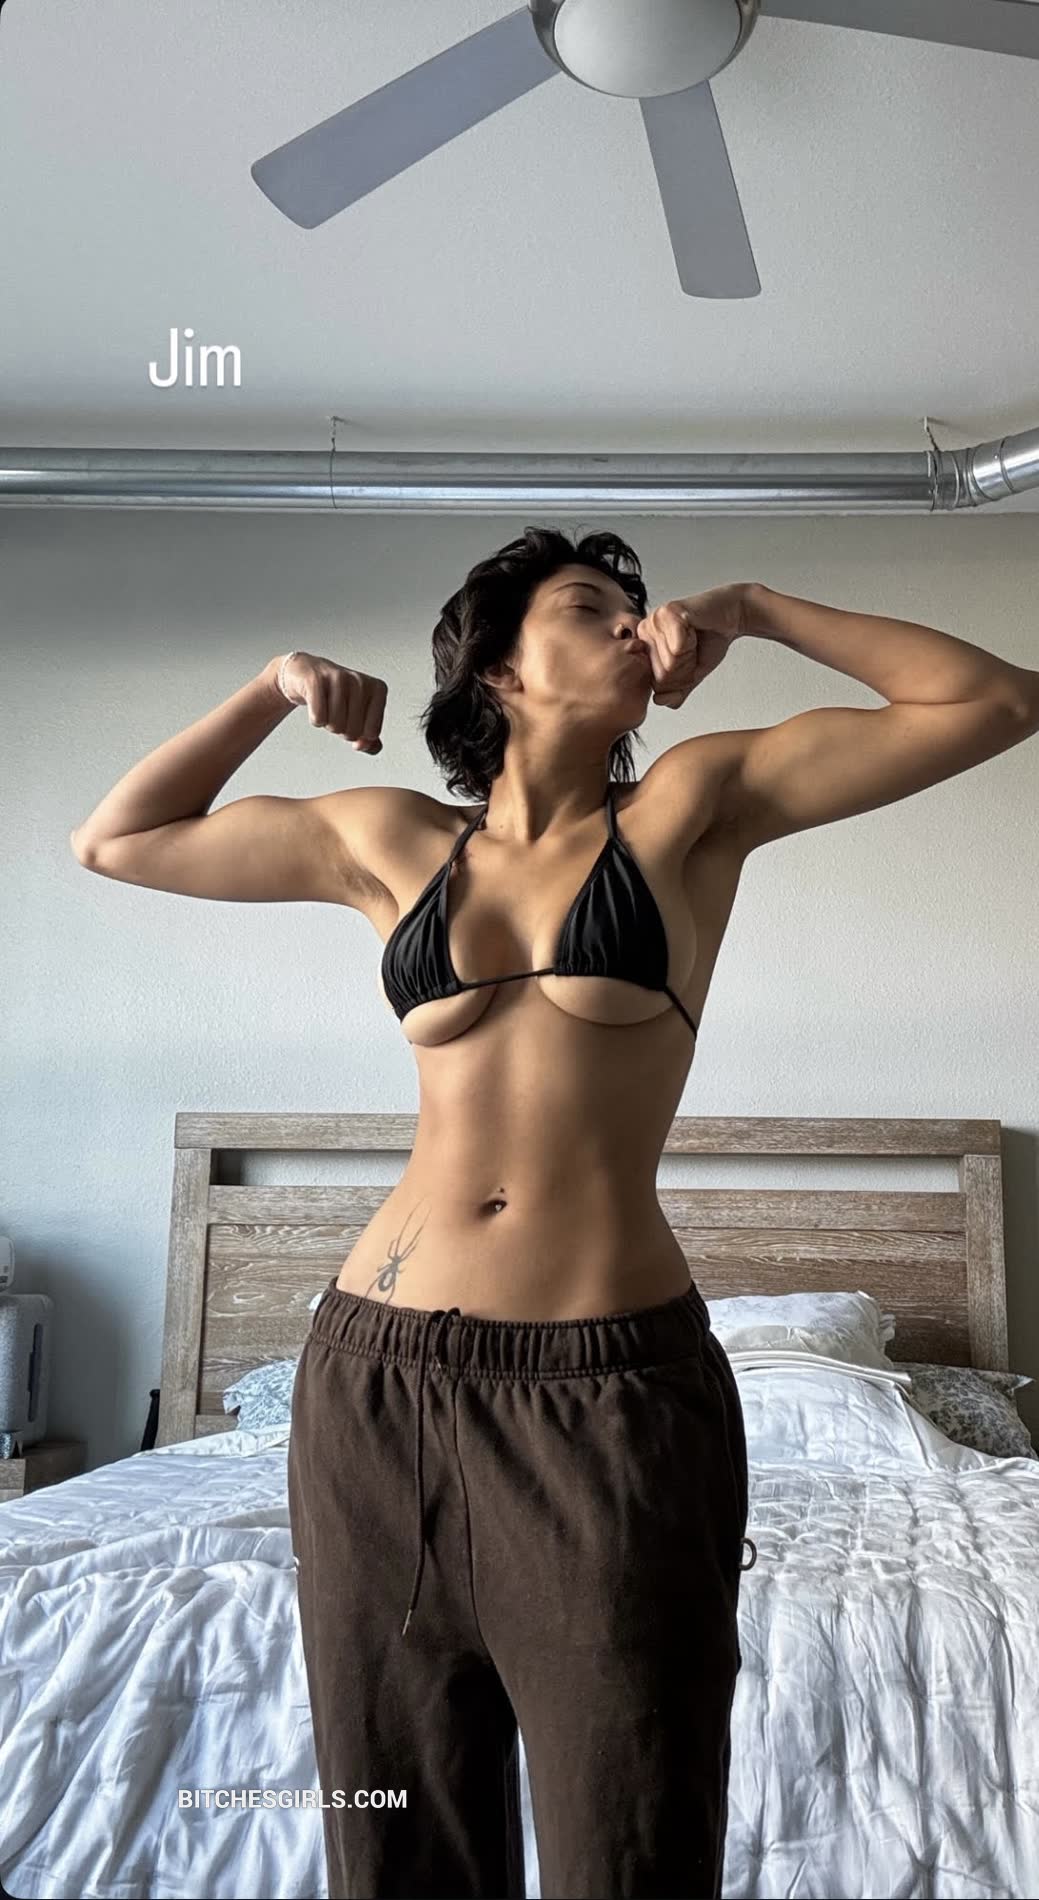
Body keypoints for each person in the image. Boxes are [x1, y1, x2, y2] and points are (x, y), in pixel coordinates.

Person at [70, 525, 1038, 1899]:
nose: (635, 622)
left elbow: (996, 700)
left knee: (627, 1825)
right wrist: (274, 687)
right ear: (501, 670)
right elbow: (117, 840)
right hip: (376, 1383)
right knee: (392, 1815)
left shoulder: (694, 806)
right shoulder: (391, 838)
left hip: (609, 1392)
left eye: (637, 606)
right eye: (591, 605)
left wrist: (755, 606)